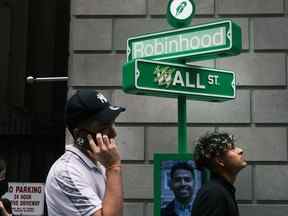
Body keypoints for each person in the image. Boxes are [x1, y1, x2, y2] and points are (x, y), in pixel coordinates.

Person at [45, 89, 126, 216]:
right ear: (80, 136)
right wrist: (113, 167)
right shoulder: (66, 173)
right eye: (104, 127)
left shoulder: (99, 164)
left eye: (112, 124)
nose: (113, 133)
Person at [191, 131, 247, 216]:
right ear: (220, 161)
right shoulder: (214, 194)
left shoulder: (220, 190)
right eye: (232, 148)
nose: (240, 150)